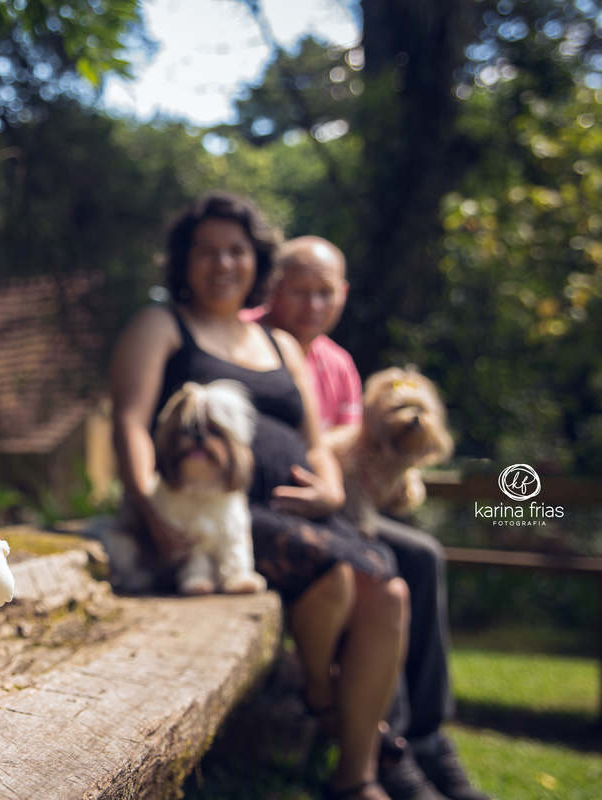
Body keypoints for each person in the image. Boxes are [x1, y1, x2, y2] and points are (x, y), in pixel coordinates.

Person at [110, 193, 409, 800]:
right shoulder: (160, 326)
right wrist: (148, 505)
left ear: (257, 261)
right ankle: (323, 700)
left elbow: (315, 441)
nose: (223, 263)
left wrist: (329, 486)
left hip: (302, 509)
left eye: (236, 251)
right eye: (207, 251)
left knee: (391, 593)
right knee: (338, 576)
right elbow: (131, 423)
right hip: (223, 511)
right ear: (183, 260)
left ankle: (357, 773)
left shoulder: (280, 344)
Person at [260, 237, 490, 800]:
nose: (313, 304)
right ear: (274, 288)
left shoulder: (338, 363)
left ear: (343, 294)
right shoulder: (250, 342)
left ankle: (428, 735)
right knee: (383, 560)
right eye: (300, 291)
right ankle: (391, 748)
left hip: (337, 504)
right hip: (281, 509)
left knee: (424, 554)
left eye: (325, 292)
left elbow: (357, 445)